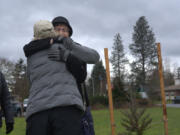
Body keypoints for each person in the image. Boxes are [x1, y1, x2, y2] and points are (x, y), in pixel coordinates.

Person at [23, 19, 99, 135]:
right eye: (57, 29)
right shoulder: (66, 47)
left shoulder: (31, 54)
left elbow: (30, 79)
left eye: (64, 30)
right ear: (52, 31)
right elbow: (93, 59)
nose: (61, 32)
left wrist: (69, 56)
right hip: (68, 107)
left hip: (38, 111)